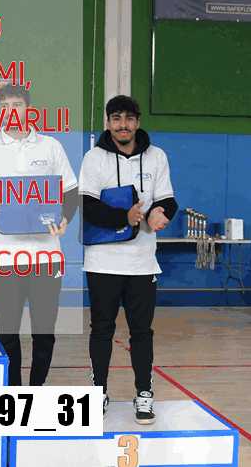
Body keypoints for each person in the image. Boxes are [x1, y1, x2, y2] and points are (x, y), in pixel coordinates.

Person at [0, 85, 78, 385]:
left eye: (18, 104)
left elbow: (70, 191)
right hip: (2, 257)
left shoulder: (51, 146)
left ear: (29, 109)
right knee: (8, 330)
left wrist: (65, 218)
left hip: (46, 257)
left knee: (44, 331)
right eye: (5, 106)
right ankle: (13, 392)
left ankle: (36, 390)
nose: (11, 111)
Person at [79, 95, 177, 424]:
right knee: (101, 330)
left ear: (138, 122)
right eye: (117, 118)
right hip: (102, 262)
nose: (124, 125)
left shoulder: (157, 156)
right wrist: (125, 216)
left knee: (142, 331)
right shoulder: (94, 158)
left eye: (130, 118)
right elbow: (87, 206)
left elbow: (167, 198)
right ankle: (98, 392)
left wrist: (161, 212)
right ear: (108, 122)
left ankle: (144, 393)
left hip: (142, 263)